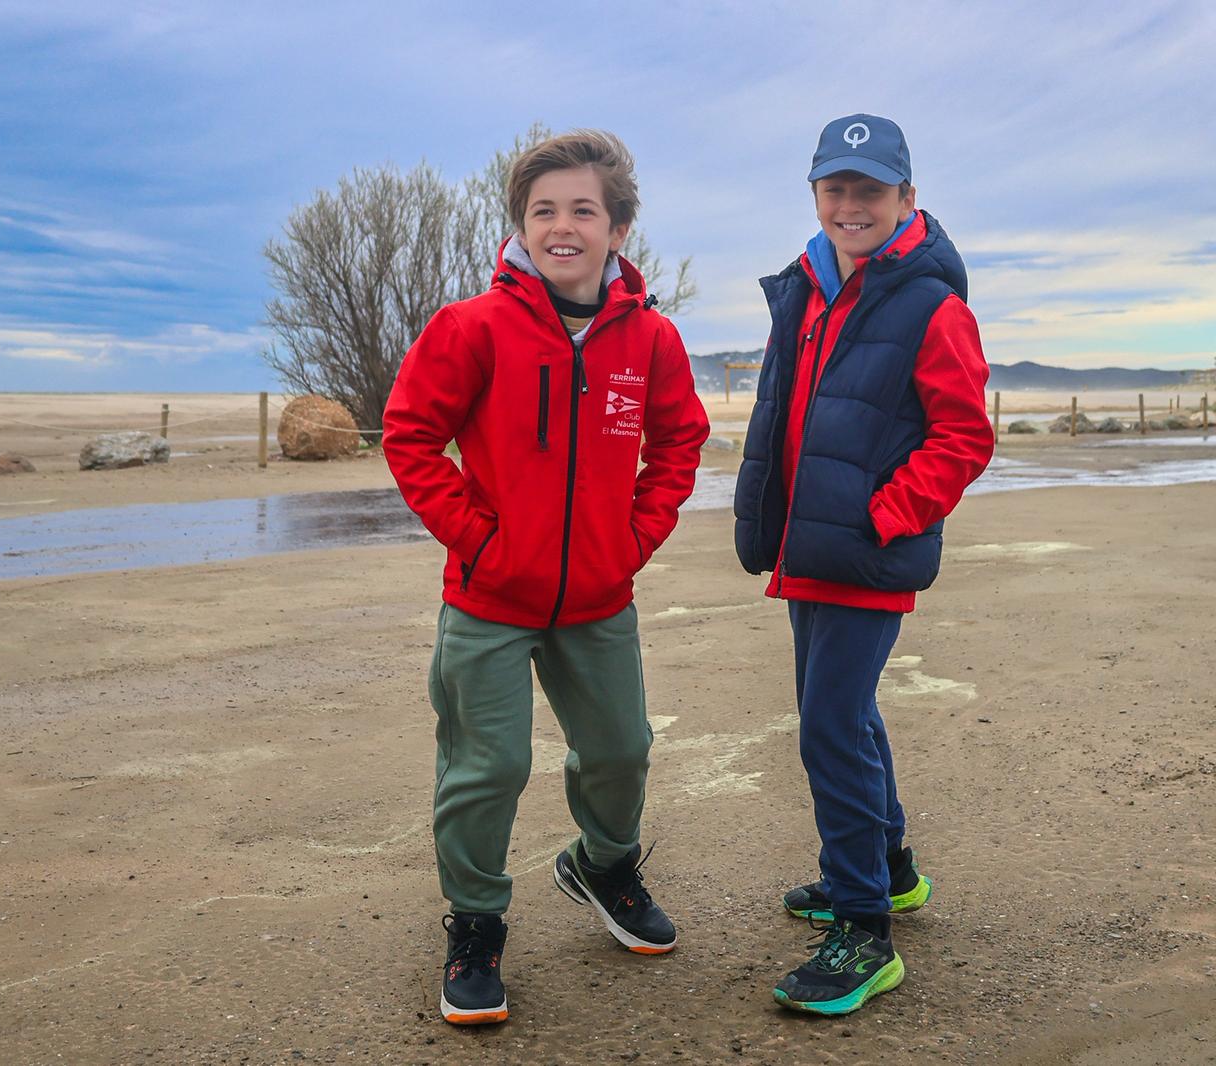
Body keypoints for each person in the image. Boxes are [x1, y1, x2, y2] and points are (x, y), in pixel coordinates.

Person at [383, 129, 710, 1025]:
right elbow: (410, 436)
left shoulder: (650, 339)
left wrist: (632, 539)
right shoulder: (471, 328)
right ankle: (476, 923)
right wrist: (478, 541)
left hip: (599, 598)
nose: (563, 226)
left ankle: (604, 866)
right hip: (489, 599)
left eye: (583, 210)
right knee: (488, 765)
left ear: (618, 228)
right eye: (544, 211)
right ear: (521, 227)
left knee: (621, 750)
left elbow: (679, 443)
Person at [733, 113, 995, 1015]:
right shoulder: (807, 290)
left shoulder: (932, 306)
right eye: (835, 188)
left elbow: (964, 437)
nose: (852, 205)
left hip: (864, 551)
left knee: (829, 728)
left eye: (871, 190)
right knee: (846, 714)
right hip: (807, 547)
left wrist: (887, 515)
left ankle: (864, 929)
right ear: (815, 194)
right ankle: (892, 870)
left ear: (906, 197)